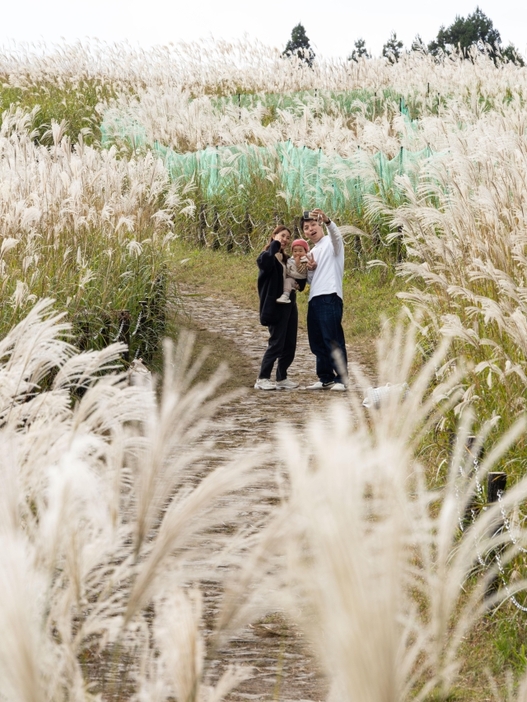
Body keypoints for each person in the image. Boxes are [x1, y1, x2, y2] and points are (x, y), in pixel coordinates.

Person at [255, 226, 306, 390]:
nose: (285, 239)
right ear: (274, 236)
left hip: (290, 304)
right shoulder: (266, 256)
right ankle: (262, 378)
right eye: (282, 236)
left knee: (290, 343)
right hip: (274, 305)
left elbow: (298, 277)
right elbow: (266, 265)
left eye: (287, 238)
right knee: (276, 342)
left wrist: (300, 283)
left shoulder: (287, 260)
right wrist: (274, 245)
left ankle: (281, 376)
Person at [302, 209, 348, 391]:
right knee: (317, 340)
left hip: (330, 295)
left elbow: (336, 236)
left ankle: (342, 379)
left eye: (313, 224)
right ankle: (325, 377)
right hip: (314, 299)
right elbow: (311, 281)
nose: (310, 229)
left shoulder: (331, 243)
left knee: (332, 338)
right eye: (306, 227)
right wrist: (311, 268)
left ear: (320, 225)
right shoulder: (312, 251)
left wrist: (329, 221)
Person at [276, 238, 310, 304]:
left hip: (299, 281)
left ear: (305, 252)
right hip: (291, 277)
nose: (297, 253)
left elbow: (302, 271)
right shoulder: (290, 259)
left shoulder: (305, 261)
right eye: (295, 251)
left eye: (300, 251)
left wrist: (298, 263)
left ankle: (286, 296)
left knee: (288, 281)